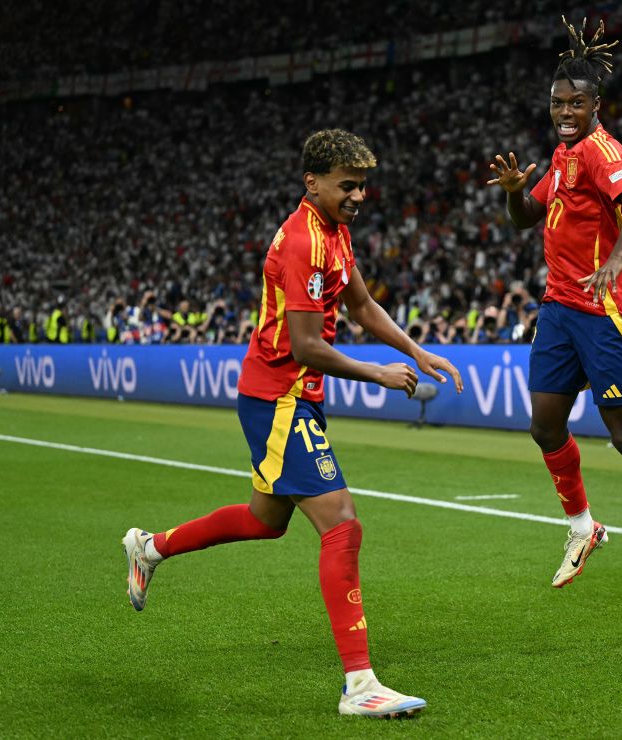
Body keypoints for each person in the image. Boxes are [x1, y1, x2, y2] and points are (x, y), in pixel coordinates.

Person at [122, 129, 463, 718]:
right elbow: (306, 346)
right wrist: (376, 373)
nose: (359, 195)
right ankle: (361, 686)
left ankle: (150, 548)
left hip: (287, 396)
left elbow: (360, 305)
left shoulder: (334, 231)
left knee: (264, 521)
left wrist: (414, 350)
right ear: (313, 181)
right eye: (347, 186)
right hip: (280, 396)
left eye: (362, 186)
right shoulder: (304, 240)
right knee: (342, 524)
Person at [486, 17, 622, 601]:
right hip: (559, 307)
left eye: (576, 103)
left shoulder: (602, 150)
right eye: (558, 103)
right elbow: (529, 217)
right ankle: (584, 527)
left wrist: (612, 262)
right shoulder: (562, 154)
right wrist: (512, 195)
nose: (566, 111)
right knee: (544, 425)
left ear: (596, 104)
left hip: (607, 313)